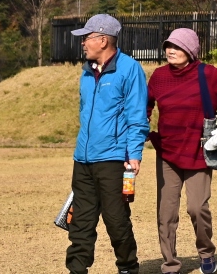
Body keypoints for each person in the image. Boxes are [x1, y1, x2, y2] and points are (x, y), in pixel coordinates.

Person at [147, 28, 217, 274]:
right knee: (166, 213)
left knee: (197, 207)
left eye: (178, 46)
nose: (171, 50)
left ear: (190, 51)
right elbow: (145, 105)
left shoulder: (207, 73)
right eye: (168, 45)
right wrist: (141, 126)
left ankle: (206, 253)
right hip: (167, 151)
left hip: (198, 152)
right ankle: (170, 265)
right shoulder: (159, 76)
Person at [66, 14, 150, 274]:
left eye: (87, 38)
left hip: (114, 160)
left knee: (116, 221)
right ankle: (76, 269)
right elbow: (84, 111)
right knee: (80, 222)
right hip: (83, 159)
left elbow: (137, 116)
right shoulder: (86, 71)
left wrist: (134, 153)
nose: (83, 43)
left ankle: (127, 267)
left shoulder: (130, 69)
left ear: (103, 40)